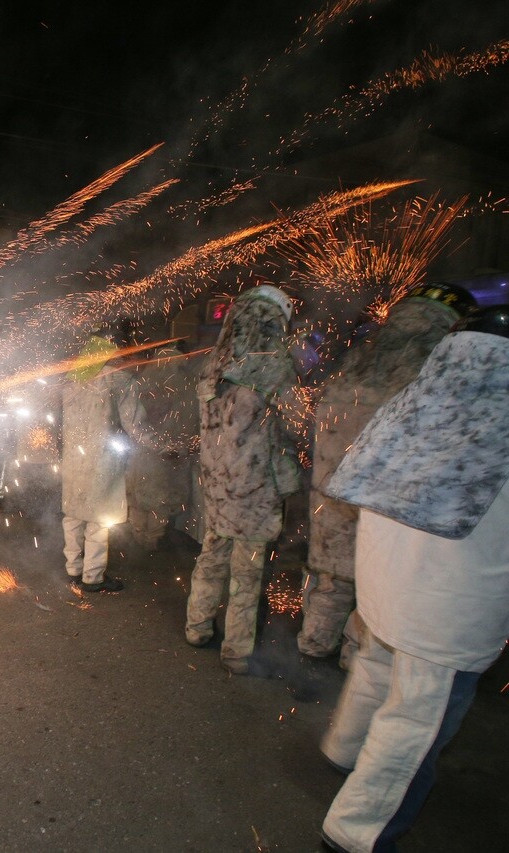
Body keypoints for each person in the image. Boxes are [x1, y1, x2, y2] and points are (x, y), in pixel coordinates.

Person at [318, 304, 509, 853]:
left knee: (377, 671)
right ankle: (359, 830)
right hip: (449, 608)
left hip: (382, 584)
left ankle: (343, 749)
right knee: (416, 722)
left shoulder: (415, 401)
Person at [299, 282, 476, 667]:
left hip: (331, 491)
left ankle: (313, 641)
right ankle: (353, 656)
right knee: (374, 579)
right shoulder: (435, 363)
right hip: (382, 499)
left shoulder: (361, 354)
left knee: (331, 573)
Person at [184, 285, 302, 674]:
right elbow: (299, 425)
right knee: (247, 574)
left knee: (211, 557)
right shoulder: (275, 365)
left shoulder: (215, 363)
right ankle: (235, 652)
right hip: (254, 491)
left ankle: (197, 627)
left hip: (217, 483)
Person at [60, 329, 148, 592]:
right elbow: (135, 424)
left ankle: (73, 568)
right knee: (98, 518)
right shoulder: (118, 380)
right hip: (102, 459)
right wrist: (160, 447)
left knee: (73, 515)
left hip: (74, 458)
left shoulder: (71, 380)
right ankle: (93, 576)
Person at [126, 339, 201, 553]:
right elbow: (191, 419)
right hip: (171, 453)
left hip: (143, 451)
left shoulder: (142, 379)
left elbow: (133, 418)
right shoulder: (188, 382)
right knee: (161, 501)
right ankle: (153, 543)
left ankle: (138, 540)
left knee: (139, 498)